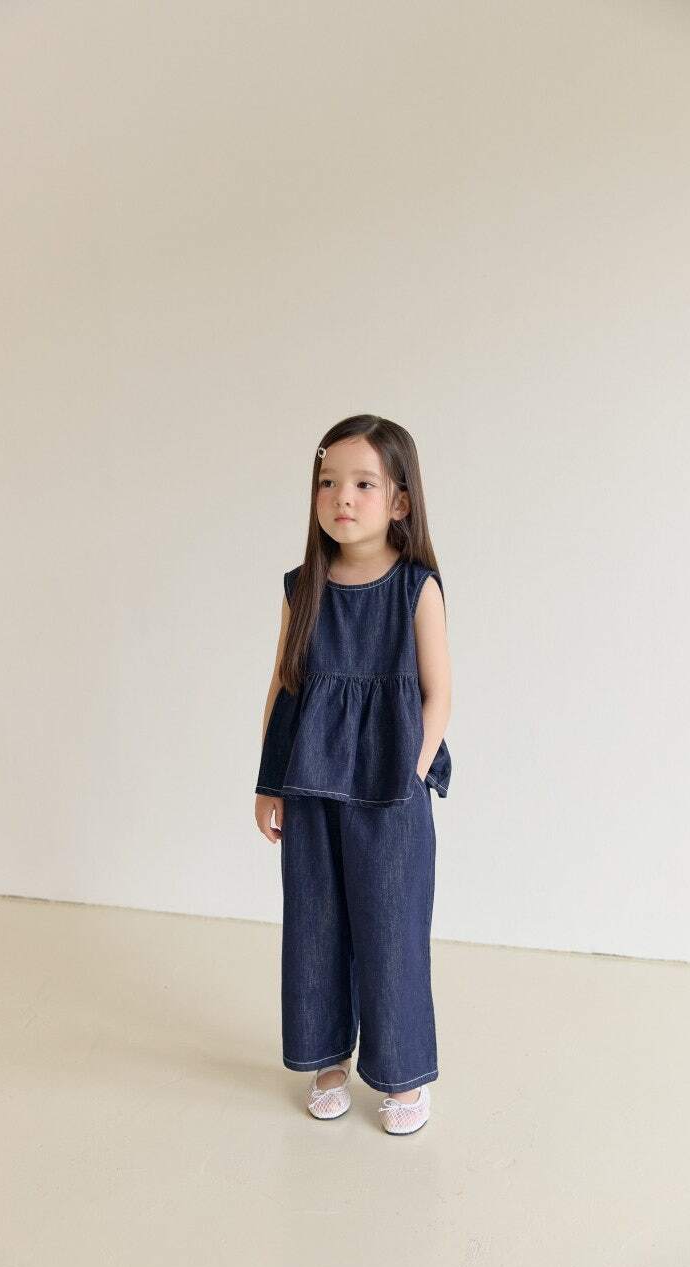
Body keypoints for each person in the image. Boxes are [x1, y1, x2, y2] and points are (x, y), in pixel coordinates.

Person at [254, 414, 453, 1135]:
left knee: (391, 930)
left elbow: (439, 695)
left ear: (399, 500)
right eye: (328, 482)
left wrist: (410, 772)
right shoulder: (302, 588)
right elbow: (284, 688)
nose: (342, 497)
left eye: (364, 484)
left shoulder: (415, 588)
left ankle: (402, 1074)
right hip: (310, 787)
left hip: (388, 792)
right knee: (315, 925)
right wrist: (269, 782)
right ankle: (327, 1057)